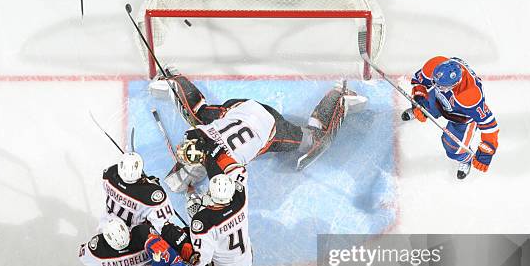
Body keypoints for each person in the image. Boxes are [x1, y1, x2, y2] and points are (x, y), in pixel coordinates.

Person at [149, 66, 367, 188]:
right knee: (199, 115)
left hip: (271, 127)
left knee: (315, 140)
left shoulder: (227, 165)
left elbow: (218, 191)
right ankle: (173, 78)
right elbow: (194, 143)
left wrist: (189, 192)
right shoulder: (200, 135)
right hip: (241, 107)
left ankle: (339, 96)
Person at [161, 143, 251, 266]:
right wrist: (216, 154)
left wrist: (192, 203)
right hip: (244, 258)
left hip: (220, 264)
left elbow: (202, 258)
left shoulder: (203, 221)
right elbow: (237, 170)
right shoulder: (240, 197)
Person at [402, 56, 499, 179]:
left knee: (453, 150)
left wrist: (487, 151)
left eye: (441, 86)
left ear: (456, 83)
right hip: (441, 100)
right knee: (426, 103)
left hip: (462, 118)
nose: (436, 86)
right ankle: (423, 109)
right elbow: (419, 81)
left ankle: (465, 159)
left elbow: (489, 126)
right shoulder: (436, 65)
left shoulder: (471, 97)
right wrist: (419, 99)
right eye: (434, 82)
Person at [102, 152, 176, 230]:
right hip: (132, 234)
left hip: (106, 224)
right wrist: (149, 184)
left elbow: (125, 188)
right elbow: (163, 225)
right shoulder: (149, 194)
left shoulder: (109, 174)